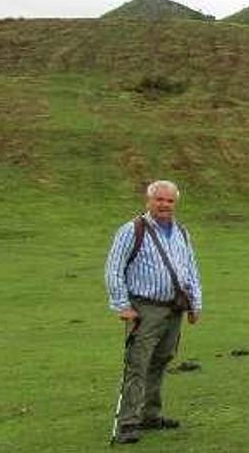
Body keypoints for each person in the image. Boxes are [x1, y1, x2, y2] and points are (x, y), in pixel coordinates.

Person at [104, 180, 203, 444]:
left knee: (160, 361)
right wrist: (122, 305)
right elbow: (114, 268)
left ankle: (150, 415)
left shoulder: (182, 232)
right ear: (149, 201)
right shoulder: (132, 230)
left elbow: (190, 269)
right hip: (144, 309)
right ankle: (127, 423)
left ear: (175, 203)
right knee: (137, 364)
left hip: (174, 309)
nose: (164, 205)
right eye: (159, 200)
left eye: (169, 201)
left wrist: (196, 304)